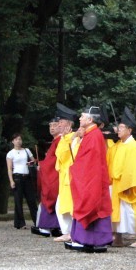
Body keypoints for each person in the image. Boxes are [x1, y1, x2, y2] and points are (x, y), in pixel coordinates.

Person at [66, 106, 113, 253]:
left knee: (91, 204)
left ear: (90, 120)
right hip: (92, 179)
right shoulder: (91, 135)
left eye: (82, 116)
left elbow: (90, 164)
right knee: (95, 206)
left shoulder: (94, 136)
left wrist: (76, 169)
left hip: (91, 181)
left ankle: (85, 240)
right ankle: (95, 241)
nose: (79, 119)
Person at [110, 107, 136, 247]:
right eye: (118, 128)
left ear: (129, 130)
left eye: (121, 128)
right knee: (118, 211)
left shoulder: (132, 146)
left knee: (132, 211)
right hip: (118, 182)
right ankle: (118, 237)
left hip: (128, 184)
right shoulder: (121, 144)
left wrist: (128, 185)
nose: (118, 130)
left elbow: (131, 168)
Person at [32, 116, 62, 237]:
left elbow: (53, 162)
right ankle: (54, 226)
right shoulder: (55, 141)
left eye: (54, 125)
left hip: (54, 175)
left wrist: (42, 166)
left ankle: (45, 227)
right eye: (50, 126)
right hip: (53, 174)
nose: (52, 128)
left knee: (49, 197)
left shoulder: (60, 141)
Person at [54, 104, 79, 242]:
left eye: (61, 122)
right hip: (63, 176)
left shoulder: (72, 138)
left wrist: (66, 138)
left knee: (68, 205)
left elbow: (63, 155)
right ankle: (67, 231)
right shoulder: (65, 138)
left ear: (69, 124)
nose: (59, 124)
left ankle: (70, 232)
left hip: (70, 176)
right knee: (62, 205)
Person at [6, 133, 38, 230]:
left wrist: (31, 163)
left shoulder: (26, 151)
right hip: (17, 177)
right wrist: (11, 180)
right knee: (18, 201)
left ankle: (37, 221)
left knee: (31, 200)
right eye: (16, 139)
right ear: (13, 141)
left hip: (27, 177)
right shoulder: (10, 153)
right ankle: (20, 222)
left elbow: (34, 161)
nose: (18, 141)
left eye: (19, 139)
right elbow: (9, 168)